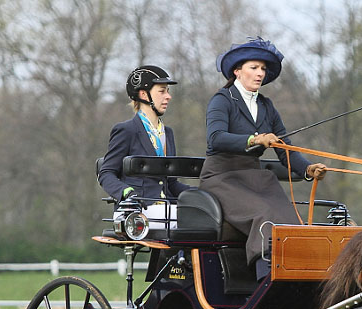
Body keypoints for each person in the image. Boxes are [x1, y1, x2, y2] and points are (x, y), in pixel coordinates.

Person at [199, 37, 327, 275]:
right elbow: (215, 138)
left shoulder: (267, 106)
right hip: (221, 177)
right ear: (237, 71)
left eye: (263, 69)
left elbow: (284, 148)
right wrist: (254, 139)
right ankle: (266, 277)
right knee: (265, 215)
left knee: (289, 217)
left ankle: (298, 275)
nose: (260, 74)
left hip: (254, 177)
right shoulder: (222, 100)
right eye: (254, 68)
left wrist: (308, 170)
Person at [98, 65, 192, 202]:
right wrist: (126, 192)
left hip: (167, 211)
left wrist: (202, 192)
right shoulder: (126, 130)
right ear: (143, 94)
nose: (168, 96)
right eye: (162, 91)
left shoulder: (168, 133)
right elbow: (106, 174)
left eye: (168, 91)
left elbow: (171, 184)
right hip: (138, 211)